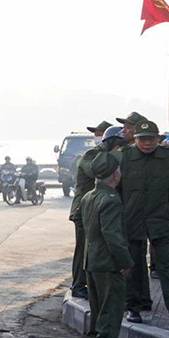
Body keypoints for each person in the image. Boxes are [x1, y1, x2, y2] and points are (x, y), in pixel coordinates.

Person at [119, 120, 169, 326]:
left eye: (151, 139)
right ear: (136, 140)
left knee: (167, 265)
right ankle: (134, 306)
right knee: (134, 265)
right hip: (132, 219)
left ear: (158, 139)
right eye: (142, 139)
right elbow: (115, 187)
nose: (147, 143)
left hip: (161, 219)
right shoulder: (124, 157)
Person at [83, 158, 137, 338]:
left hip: (91, 260)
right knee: (111, 305)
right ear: (116, 175)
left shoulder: (89, 196)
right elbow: (113, 236)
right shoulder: (111, 200)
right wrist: (126, 261)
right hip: (108, 262)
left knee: (97, 305)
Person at [67, 122, 116, 296]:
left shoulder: (107, 154)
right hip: (84, 210)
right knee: (84, 249)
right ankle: (79, 286)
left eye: (101, 133)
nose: (98, 137)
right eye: (97, 134)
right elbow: (96, 171)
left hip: (100, 208)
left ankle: (92, 285)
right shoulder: (91, 155)